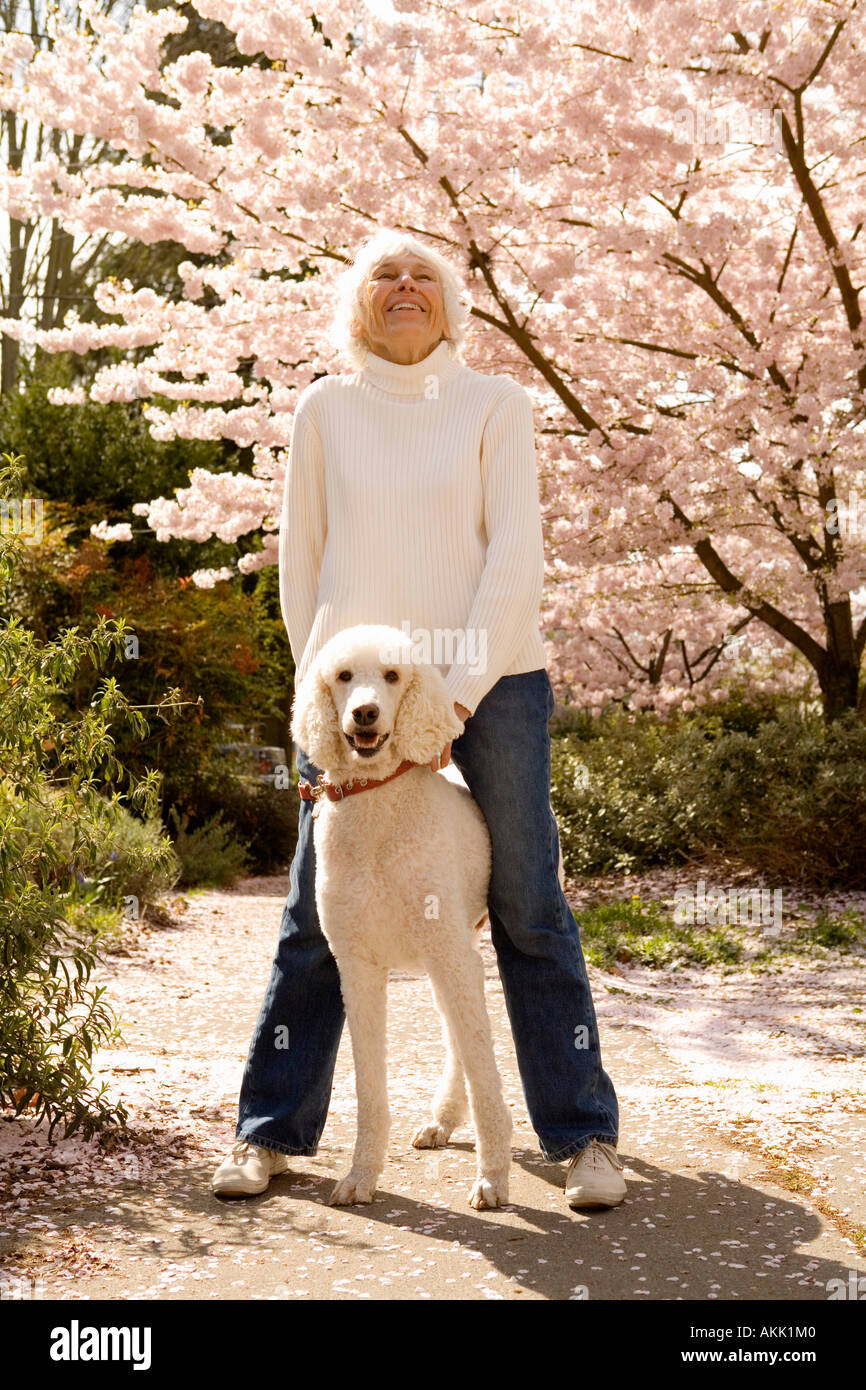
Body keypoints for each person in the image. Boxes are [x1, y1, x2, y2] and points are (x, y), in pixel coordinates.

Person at [212, 229, 625, 1209]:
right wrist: (322, 685)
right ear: (359, 304)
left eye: (424, 276)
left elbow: (513, 560)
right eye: (383, 276)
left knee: (526, 901)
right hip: (352, 695)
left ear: (451, 305)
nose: (404, 286)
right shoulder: (324, 408)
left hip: (493, 683)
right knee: (317, 914)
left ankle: (581, 1135)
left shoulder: (494, 405)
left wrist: (452, 703)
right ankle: (267, 1132)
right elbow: (300, 566)